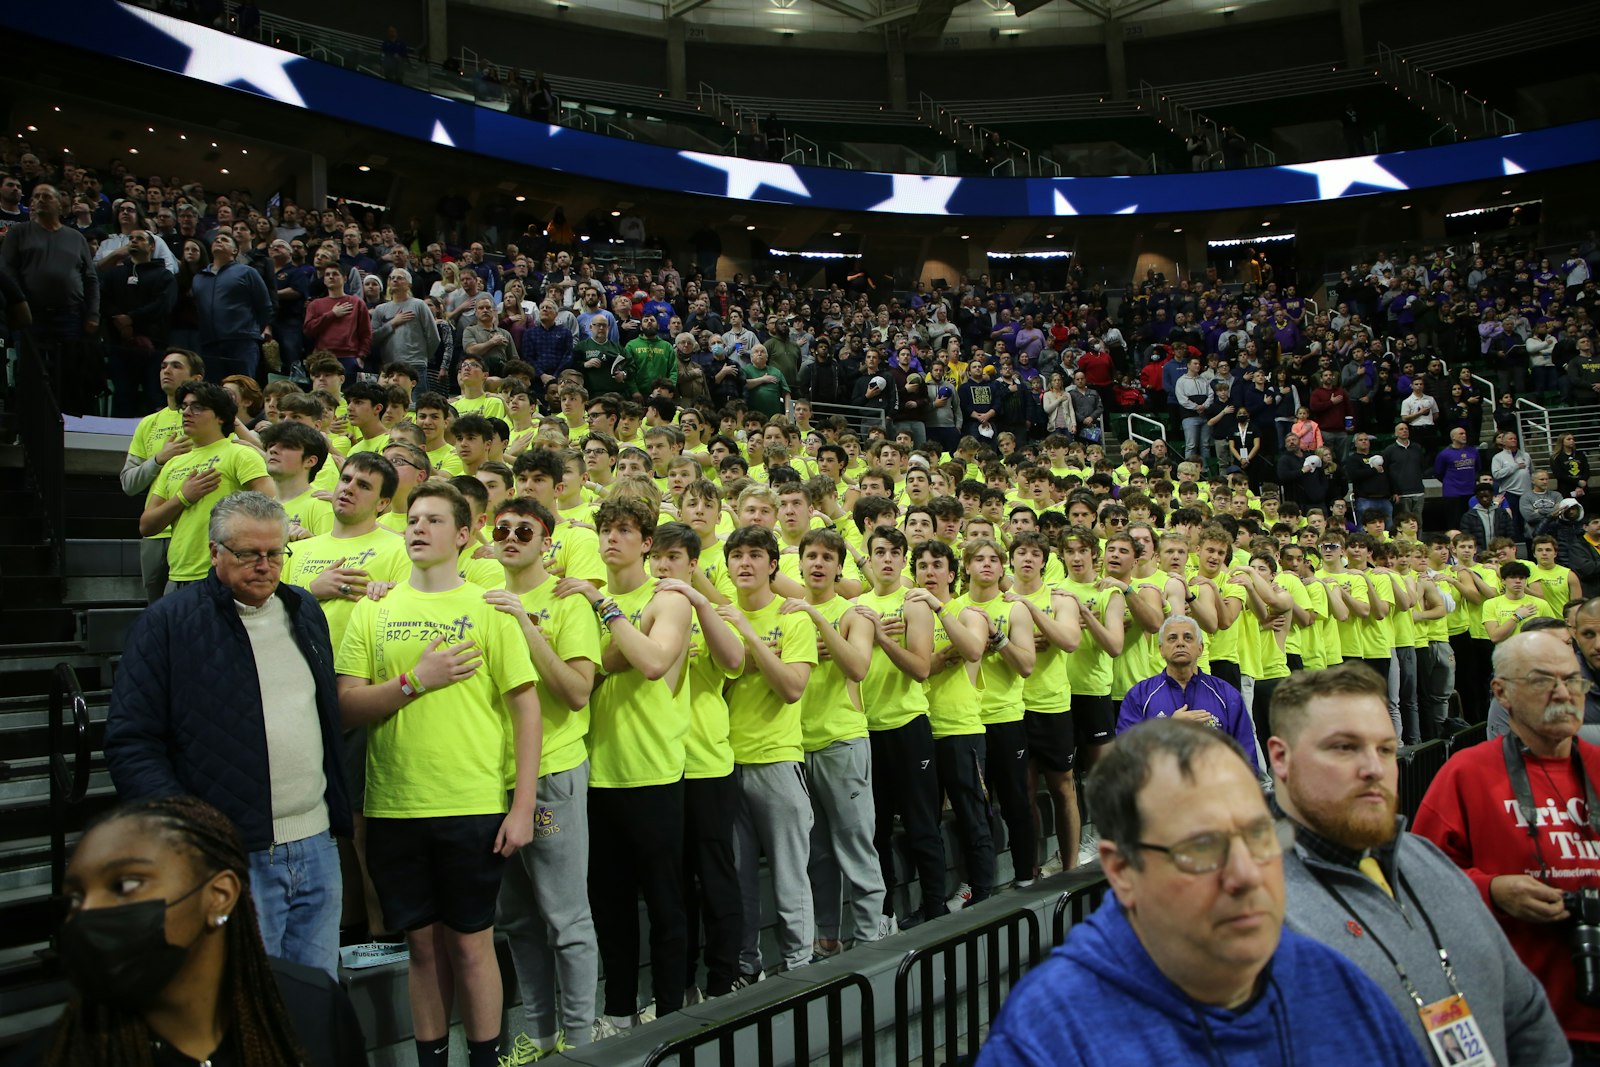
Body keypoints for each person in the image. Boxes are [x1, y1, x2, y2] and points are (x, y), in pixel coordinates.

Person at [976, 718, 1430, 1066]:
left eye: (1258, 836)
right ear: (1122, 870)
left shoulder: (1333, 981)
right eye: (1200, 847)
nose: (1246, 875)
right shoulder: (1047, 1036)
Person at [1269, 663, 1568, 1067]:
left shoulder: (1427, 861)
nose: (1374, 769)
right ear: (1281, 758)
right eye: (1344, 747)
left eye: (1386, 749)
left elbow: (1526, 1014)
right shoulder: (1250, 903)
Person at [335, 482, 542, 1067]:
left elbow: (526, 707)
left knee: (473, 946)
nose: (418, 528)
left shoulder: (490, 608)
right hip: (394, 804)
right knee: (422, 950)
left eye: (433, 520)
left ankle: (484, 1060)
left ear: (464, 534)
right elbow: (347, 705)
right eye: (412, 519)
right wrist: (414, 681)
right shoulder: (374, 608)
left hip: (471, 802)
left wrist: (521, 805)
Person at [106, 491, 351, 979]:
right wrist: (193, 832)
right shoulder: (169, 624)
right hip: (232, 854)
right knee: (243, 1004)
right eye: (247, 554)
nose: (264, 566)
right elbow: (131, 741)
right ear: (215, 552)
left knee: (315, 1000)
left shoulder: (303, 609)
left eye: (275, 553)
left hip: (317, 844)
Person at [28, 795, 365, 1067]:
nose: (88, 912)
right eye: (74, 899)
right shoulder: (54, 1054)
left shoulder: (313, 1010)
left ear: (219, 896)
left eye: (126, 884)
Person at [1414, 630, 1600, 1058]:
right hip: (1514, 1022)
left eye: (1573, 680)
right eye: (1542, 681)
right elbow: (1418, 883)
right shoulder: (1467, 773)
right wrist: (1492, 890)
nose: (1564, 693)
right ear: (1502, 692)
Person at [484, 496, 602, 1059]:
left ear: (546, 541)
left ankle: (580, 1040)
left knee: (565, 916)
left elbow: (577, 692)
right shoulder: (480, 598)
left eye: (523, 531)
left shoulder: (566, 602)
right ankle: (541, 1033)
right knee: (517, 920)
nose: (511, 538)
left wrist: (522, 625)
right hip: (492, 776)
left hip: (553, 770)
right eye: (502, 529)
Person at [137, 381, 274, 593]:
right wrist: (183, 497)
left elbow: (271, 508)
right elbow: (147, 526)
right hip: (177, 575)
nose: (187, 412)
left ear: (221, 416)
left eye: (197, 407)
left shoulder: (240, 454)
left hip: (223, 575)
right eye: (184, 406)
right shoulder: (173, 462)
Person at [0, 182, 100, 411]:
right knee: (30, 370)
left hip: (70, 316)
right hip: (31, 315)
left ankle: (67, 421)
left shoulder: (75, 237)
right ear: (31, 203)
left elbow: (90, 277)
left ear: (59, 203)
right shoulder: (19, 232)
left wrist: (93, 312)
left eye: (47, 196)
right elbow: (7, 271)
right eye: (36, 196)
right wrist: (19, 303)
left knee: (70, 372)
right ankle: (29, 424)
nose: (40, 199)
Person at [1118, 616, 1257, 770]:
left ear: (1200, 649)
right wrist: (1170, 729)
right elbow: (1125, 757)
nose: (1180, 643)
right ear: (1161, 650)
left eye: (1188, 638)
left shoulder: (1227, 695)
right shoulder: (1139, 696)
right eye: (1172, 638)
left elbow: (1247, 758)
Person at [121, 348, 203, 603]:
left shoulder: (208, 418)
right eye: (163, 366)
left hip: (196, 531)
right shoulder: (148, 423)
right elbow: (128, 483)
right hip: (157, 532)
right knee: (157, 613)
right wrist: (158, 459)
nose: (167, 370)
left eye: (176, 366)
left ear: (197, 379)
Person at [191, 233, 273, 382]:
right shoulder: (199, 278)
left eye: (224, 240)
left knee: (242, 388)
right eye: (216, 239)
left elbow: (265, 306)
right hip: (209, 344)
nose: (218, 241)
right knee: (212, 391)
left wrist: (248, 330)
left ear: (235, 251)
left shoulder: (247, 272)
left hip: (242, 342)